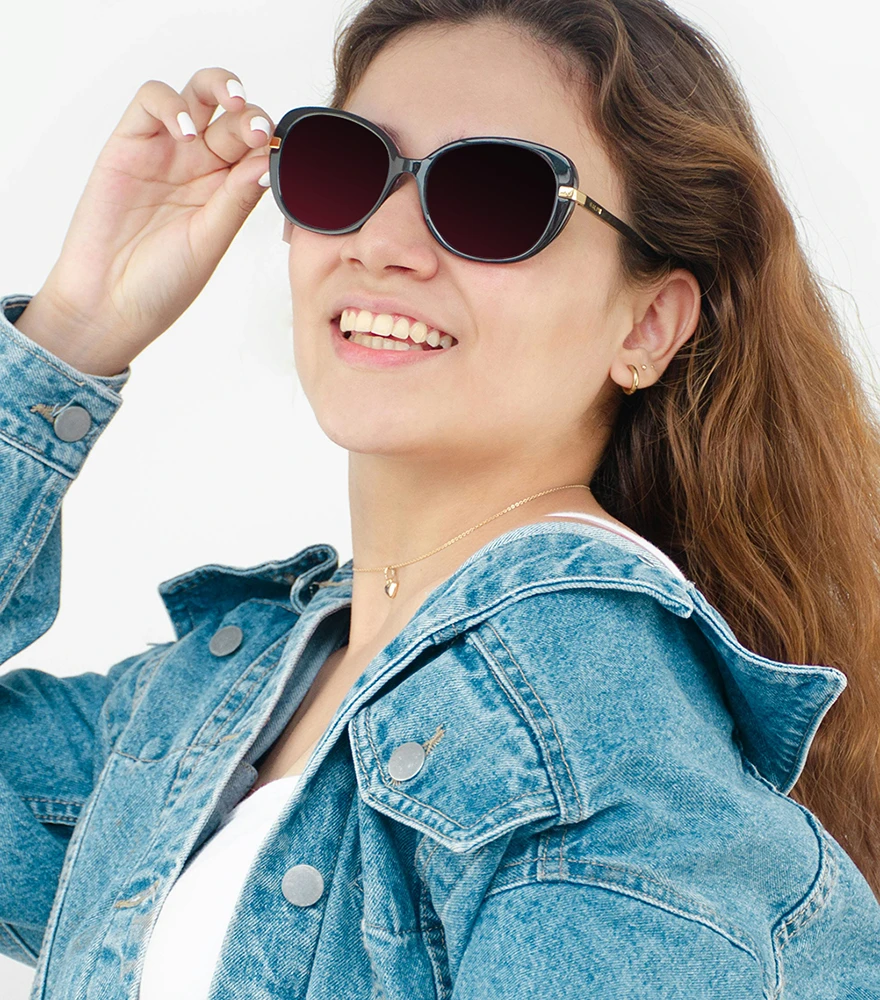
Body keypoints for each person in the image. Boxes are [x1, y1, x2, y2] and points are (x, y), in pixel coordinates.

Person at [2, 0, 879, 995]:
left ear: (648, 325)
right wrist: (72, 328)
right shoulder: (216, 705)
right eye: (343, 166)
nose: (381, 242)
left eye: (494, 197)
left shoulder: (601, 750)